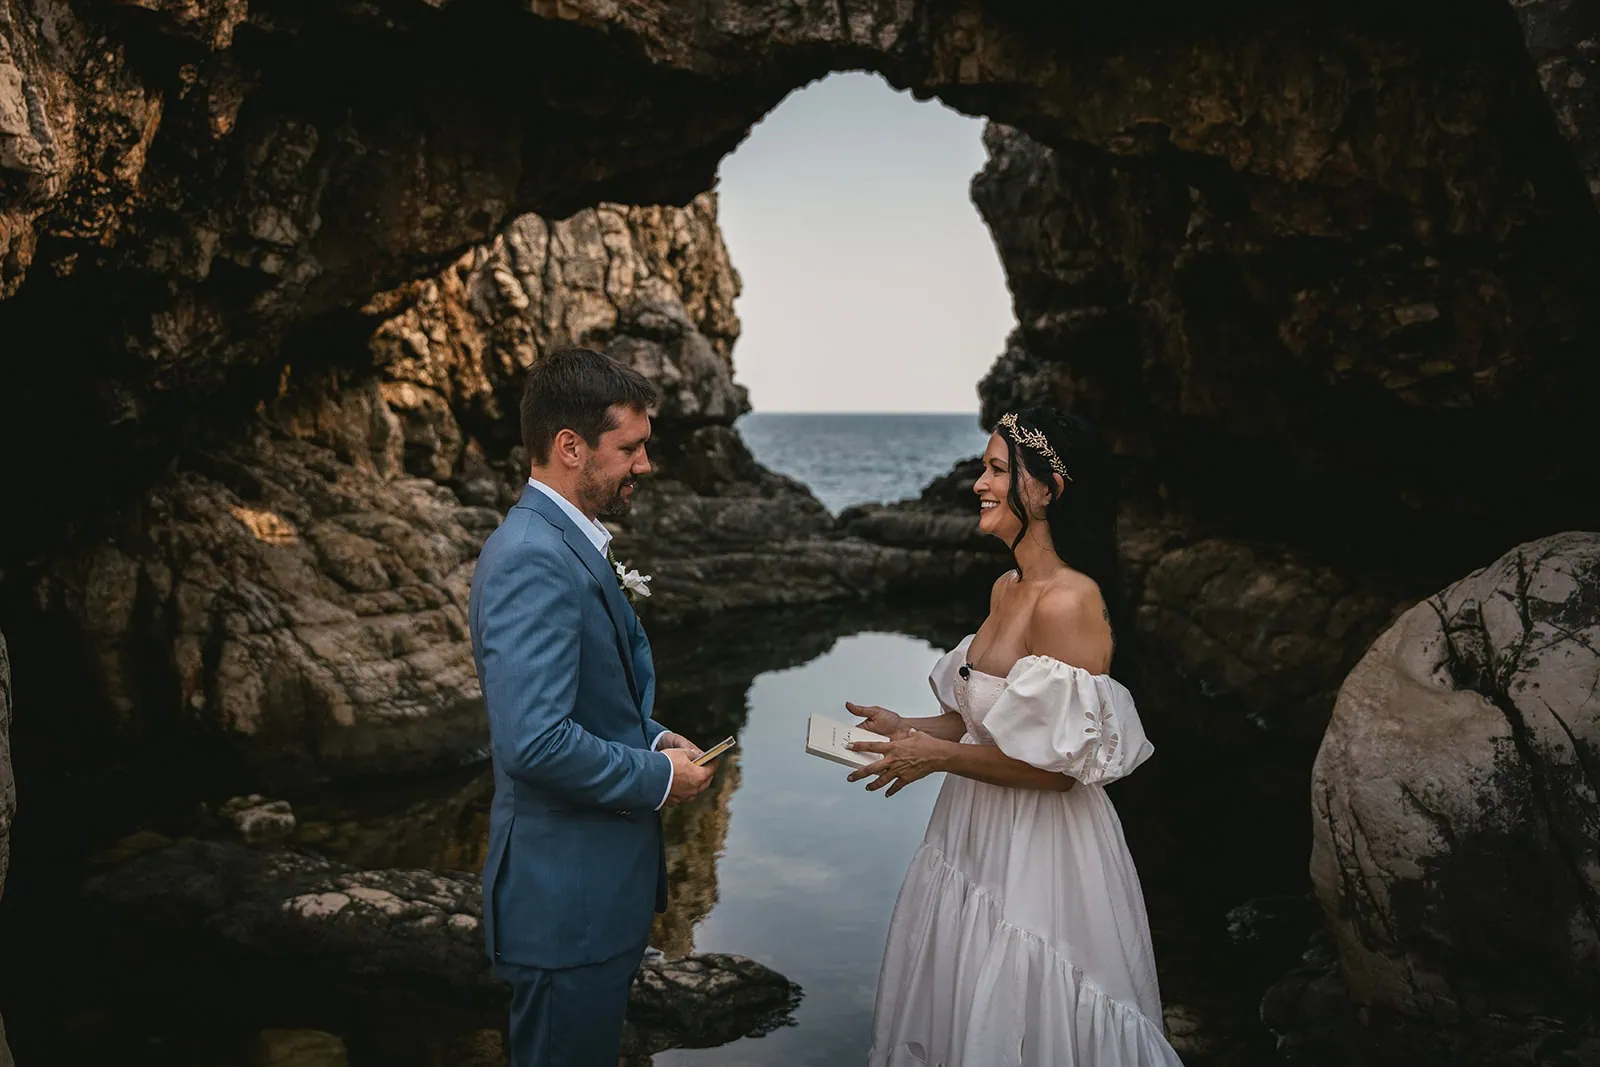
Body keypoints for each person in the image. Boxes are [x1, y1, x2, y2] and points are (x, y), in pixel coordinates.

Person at [845, 406, 1183, 1066]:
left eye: (998, 469)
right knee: (966, 984)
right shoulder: (1007, 587)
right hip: (972, 828)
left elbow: (1058, 768)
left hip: (1044, 846)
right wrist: (906, 727)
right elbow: (989, 722)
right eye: (983, 467)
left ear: (1048, 489)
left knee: (1031, 991)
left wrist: (937, 757)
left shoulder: (1069, 600)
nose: (980, 482)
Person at [469, 346, 718, 1067]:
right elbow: (536, 742)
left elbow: (584, 701)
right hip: (562, 911)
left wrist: (655, 734)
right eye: (631, 448)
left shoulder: (562, 544)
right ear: (570, 447)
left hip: (588, 903)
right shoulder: (530, 557)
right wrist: (661, 777)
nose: (645, 465)